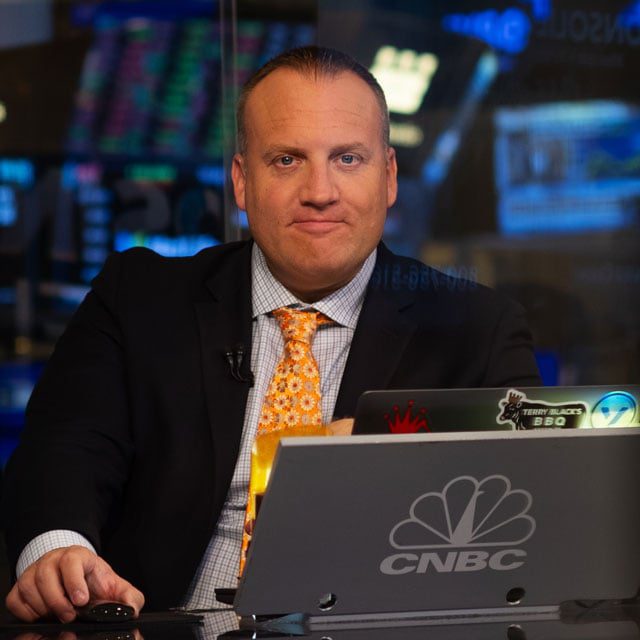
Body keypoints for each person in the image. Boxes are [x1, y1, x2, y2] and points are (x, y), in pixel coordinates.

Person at [2, 46, 540, 623]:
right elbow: (64, 448)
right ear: (241, 181)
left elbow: (532, 501)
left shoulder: (477, 328)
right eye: (287, 160)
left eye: (348, 159)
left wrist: (392, 453)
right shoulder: (138, 298)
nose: (320, 191)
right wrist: (59, 549)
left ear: (388, 177)